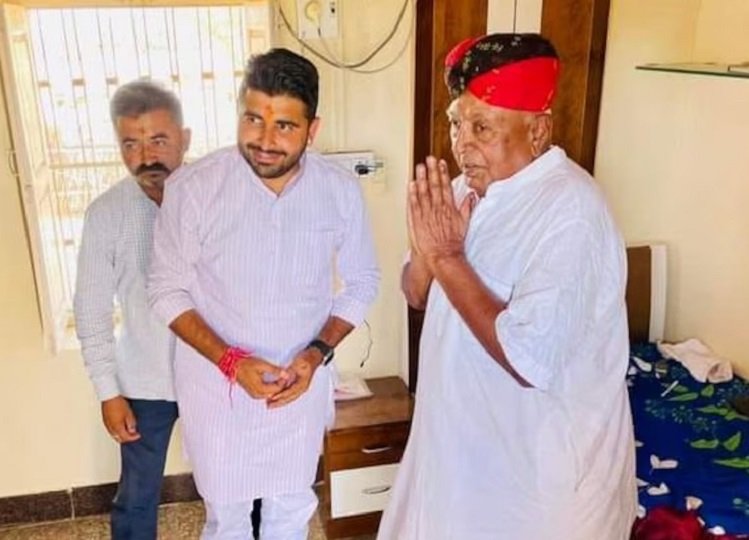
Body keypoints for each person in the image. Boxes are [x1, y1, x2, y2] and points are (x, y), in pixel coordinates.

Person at [378, 33, 637, 539]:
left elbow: (528, 358)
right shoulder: (461, 190)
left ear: (537, 131)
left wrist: (448, 257)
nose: (461, 143)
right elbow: (416, 294)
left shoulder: (571, 211)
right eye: (456, 123)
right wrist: (428, 253)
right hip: (455, 461)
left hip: (533, 488)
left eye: (481, 127)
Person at [147, 48, 380, 540]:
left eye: (285, 126)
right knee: (227, 519)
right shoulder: (196, 189)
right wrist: (232, 362)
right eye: (253, 119)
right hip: (219, 393)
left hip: (300, 387)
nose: (265, 141)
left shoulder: (338, 191)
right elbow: (166, 290)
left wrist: (315, 355)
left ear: (312, 130)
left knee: (291, 511)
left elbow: (362, 282)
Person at [74, 79, 191, 539]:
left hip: (216, 372)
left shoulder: (214, 196)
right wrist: (109, 391)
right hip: (144, 383)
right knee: (137, 497)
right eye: (131, 144)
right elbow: (91, 308)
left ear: (184, 137)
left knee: (235, 486)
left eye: (159, 140)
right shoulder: (106, 213)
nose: (146, 156)